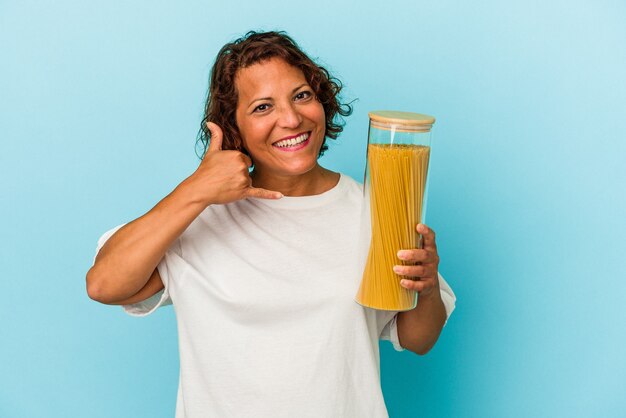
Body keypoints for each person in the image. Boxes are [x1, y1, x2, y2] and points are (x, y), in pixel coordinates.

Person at [87, 30, 456, 418]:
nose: (291, 119)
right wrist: (195, 190)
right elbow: (104, 284)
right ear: (233, 127)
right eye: (263, 107)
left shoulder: (374, 208)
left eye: (302, 96)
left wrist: (426, 288)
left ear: (322, 102)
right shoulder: (195, 218)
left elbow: (417, 338)